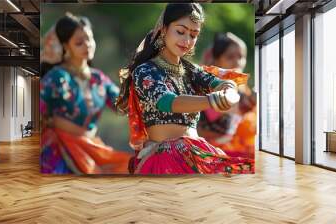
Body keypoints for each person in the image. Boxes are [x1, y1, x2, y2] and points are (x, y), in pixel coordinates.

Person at [115, 3, 254, 174]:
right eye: (180, 32)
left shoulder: (192, 70)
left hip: (196, 152)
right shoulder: (145, 71)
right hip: (164, 157)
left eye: (193, 35)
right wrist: (212, 100)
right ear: (164, 29)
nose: (187, 41)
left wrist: (227, 89)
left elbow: (221, 82)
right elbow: (167, 101)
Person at [40, 13, 131, 174]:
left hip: (90, 147)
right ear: (67, 47)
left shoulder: (98, 78)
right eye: (79, 42)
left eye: (90, 39)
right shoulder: (57, 78)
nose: (87, 45)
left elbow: (122, 105)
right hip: (59, 150)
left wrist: (132, 84)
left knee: (128, 166)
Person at [198, 32, 256, 159]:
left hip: (237, 151)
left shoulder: (242, 89)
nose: (237, 62)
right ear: (217, 60)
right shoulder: (210, 87)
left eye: (241, 56)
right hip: (212, 154)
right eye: (230, 57)